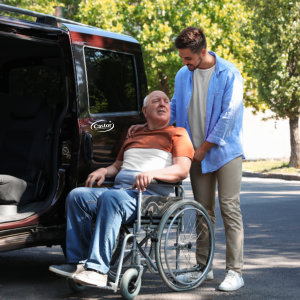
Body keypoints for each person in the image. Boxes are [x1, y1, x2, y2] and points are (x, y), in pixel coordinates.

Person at [129, 26, 245, 292]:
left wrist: (204, 147)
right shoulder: (183, 75)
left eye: (188, 58)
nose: (184, 63)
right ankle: (204, 267)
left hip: (225, 151)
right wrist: (145, 126)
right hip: (196, 153)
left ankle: (235, 271)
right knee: (202, 211)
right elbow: (176, 108)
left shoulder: (229, 73)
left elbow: (229, 116)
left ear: (202, 51)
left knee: (229, 207)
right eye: (182, 58)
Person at [49, 90, 194, 288]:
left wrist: (153, 173)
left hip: (149, 196)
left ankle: (98, 269)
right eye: (156, 101)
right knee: (77, 196)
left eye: (166, 101)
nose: (163, 104)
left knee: (112, 199)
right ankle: (78, 263)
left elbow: (182, 170)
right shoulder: (134, 133)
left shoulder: (178, 133)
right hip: (121, 192)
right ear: (144, 110)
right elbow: (117, 167)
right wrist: (103, 170)